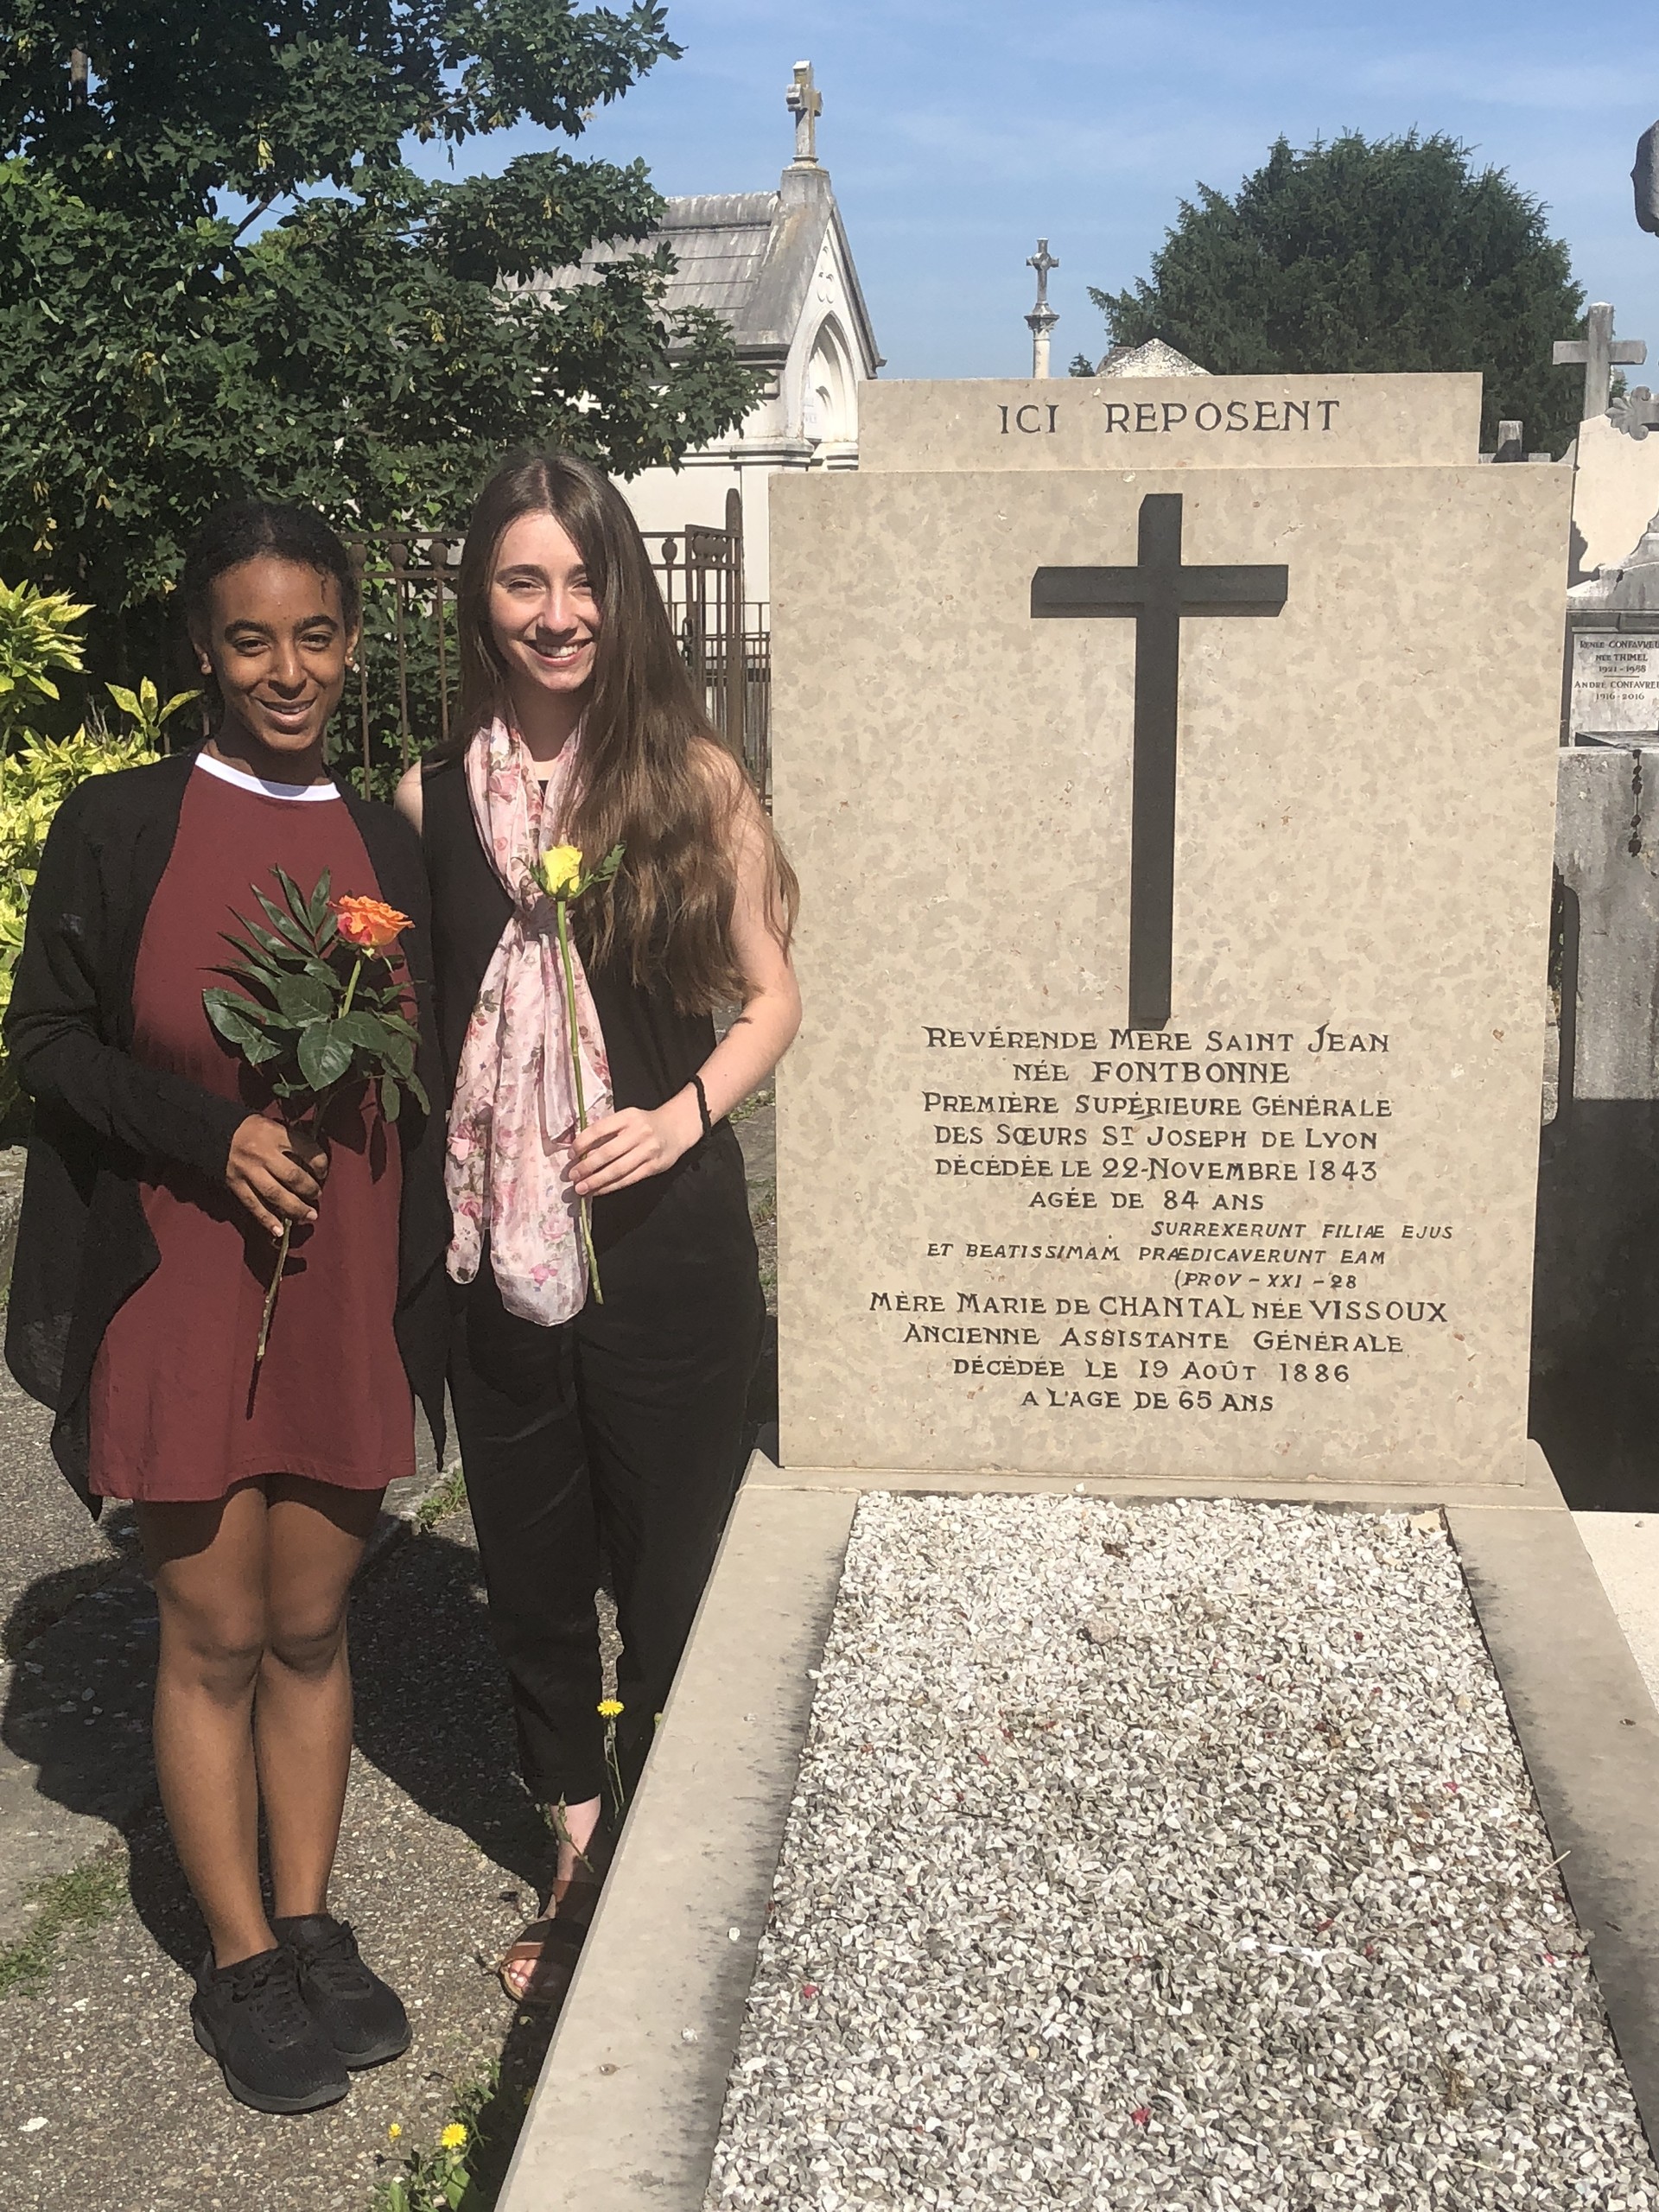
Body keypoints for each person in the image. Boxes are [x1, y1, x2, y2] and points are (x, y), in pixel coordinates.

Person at [4, 504, 448, 2112]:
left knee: (318, 1623)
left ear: (346, 640)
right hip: (186, 1276)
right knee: (212, 1630)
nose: (288, 671)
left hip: (341, 1290)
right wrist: (215, 1134)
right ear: (202, 646)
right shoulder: (125, 825)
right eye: (250, 639)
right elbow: (45, 1041)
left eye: (315, 636)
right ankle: (242, 1957)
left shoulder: (391, 842)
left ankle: (317, 1919)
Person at [395, 450, 799, 2005]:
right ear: (483, 606)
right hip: (500, 1250)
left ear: (618, 591)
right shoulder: (430, 805)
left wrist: (681, 1114)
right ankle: (577, 1850)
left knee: (676, 1563)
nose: (559, 614)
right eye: (523, 582)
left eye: (582, 580)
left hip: (668, 1243)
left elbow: (774, 1000)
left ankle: (675, 1849)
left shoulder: (686, 779)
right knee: (536, 1567)